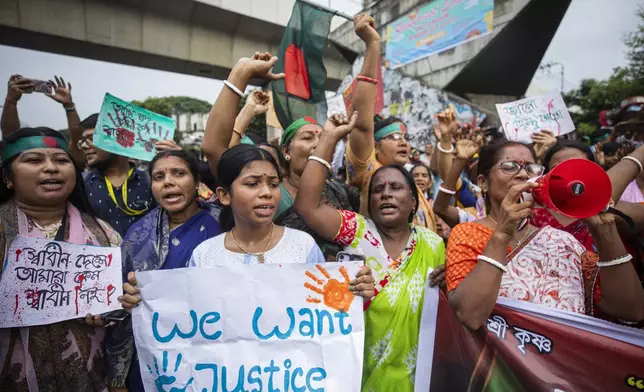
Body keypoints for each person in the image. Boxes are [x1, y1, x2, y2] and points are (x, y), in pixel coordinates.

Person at [294, 113, 446, 392]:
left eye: (396, 188)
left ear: (413, 202)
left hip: (417, 378)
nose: (385, 194)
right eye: (378, 190)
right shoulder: (357, 230)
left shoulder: (433, 244)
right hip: (358, 376)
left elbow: (444, 310)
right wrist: (329, 138)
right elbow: (307, 206)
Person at [119, 145, 375, 308]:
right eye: (252, 184)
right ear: (224, 196)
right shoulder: (205, 254)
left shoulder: (303, 246)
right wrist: (145, 301)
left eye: (273, 184)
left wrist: (354, 289)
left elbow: (327, 308)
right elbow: (188, 314)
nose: (267, 193)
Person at [445, 140, 644, 330]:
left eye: (531, 168)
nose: (523, 174)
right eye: (509, 166)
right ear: (483, 182)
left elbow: (631, 310)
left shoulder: (561, 241)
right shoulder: (467, 233)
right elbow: (469, 316)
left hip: (562, 362)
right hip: (499, 364)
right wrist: (502, 235)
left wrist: (604, 232)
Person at [201, 51, 358, 260]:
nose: (318, 144)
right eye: (307, 137)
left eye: (324, 137)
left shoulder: (339, 192)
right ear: (286, 151)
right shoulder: (268, 193)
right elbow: (217, 152)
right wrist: (241, 77)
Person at [0, 128, 121, 391]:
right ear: (8, 177)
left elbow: (121, 304)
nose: (51, 168)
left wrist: (119, 306)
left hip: (91, 376)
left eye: (61, 160)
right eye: (34, 160)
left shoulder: (103, 234)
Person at [107, 150, 222, 392]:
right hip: (155, 358)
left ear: (197, 182)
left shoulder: (223, 225)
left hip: (214, 351)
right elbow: (116, 303)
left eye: (179, 173)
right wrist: (125, 299)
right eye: (159, 177)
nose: (168, 181)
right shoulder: (138, 236)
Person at [344, 14, 437, 232]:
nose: (403, 143)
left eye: (405, 138)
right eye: (394, 137)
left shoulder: (409, 181)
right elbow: (362, 125)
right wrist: (373, 45)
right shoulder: (369, 172)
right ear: (374, 146)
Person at [78, 113, 180, 236]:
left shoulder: (153, 182)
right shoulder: (81, 186)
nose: (84, 146)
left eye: (92, 138)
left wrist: (180, 160)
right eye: (82, 140)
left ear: (118, 141)